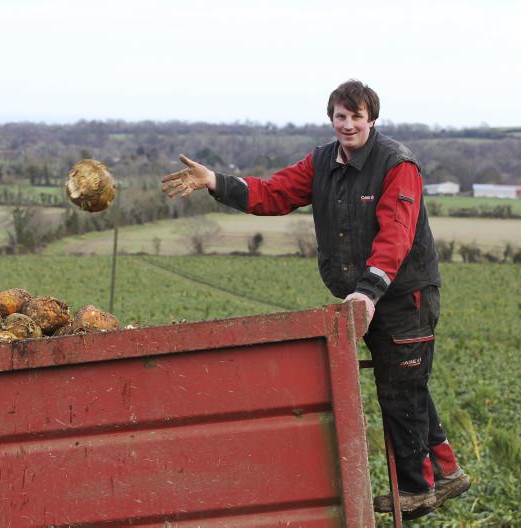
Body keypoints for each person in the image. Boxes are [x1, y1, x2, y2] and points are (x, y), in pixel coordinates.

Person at [161, 80, 470, 519]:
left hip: (403, 297)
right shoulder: (322, 162)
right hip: (364, 298)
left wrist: (368, 292)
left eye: (356, 116)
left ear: (372, 119)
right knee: (406, 382)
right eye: (340, 116)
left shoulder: (397, 164)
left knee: (401, 390)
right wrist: (215, 181)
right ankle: (448, 472)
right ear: (332, 119)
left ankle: (417, 490)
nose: (347, 125)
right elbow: (273, 193)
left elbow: (395, 235)